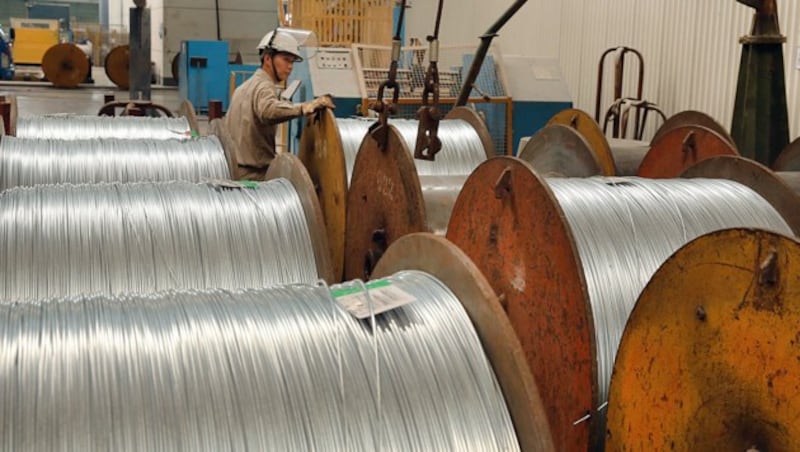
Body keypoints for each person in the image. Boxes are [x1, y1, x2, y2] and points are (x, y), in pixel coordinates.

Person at [226, 29, 335, 181]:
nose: (290, 66)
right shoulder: (265, 86)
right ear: (268, 59)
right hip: (256, 178)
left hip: (235, 172)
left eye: (292, 61)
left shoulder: (243, 88)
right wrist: (303, 107)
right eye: (285, 60)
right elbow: (268, 110)